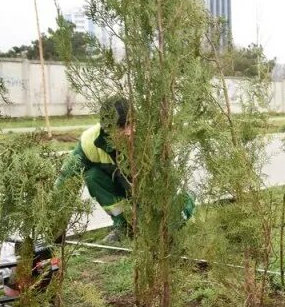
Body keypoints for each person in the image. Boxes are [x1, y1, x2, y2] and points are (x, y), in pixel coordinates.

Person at [58, 96, 194, 242]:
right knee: (92, 176)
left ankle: (184, 205)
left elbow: (165, 185)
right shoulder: (89, 141)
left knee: (167, 227)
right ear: (107, 128)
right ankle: (124, 226)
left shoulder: (150, 138)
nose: (130, 131)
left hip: (152, 191)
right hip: (122, 186)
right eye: (122, 126)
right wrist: (54, 231)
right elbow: (65, 182)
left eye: (131, 123)